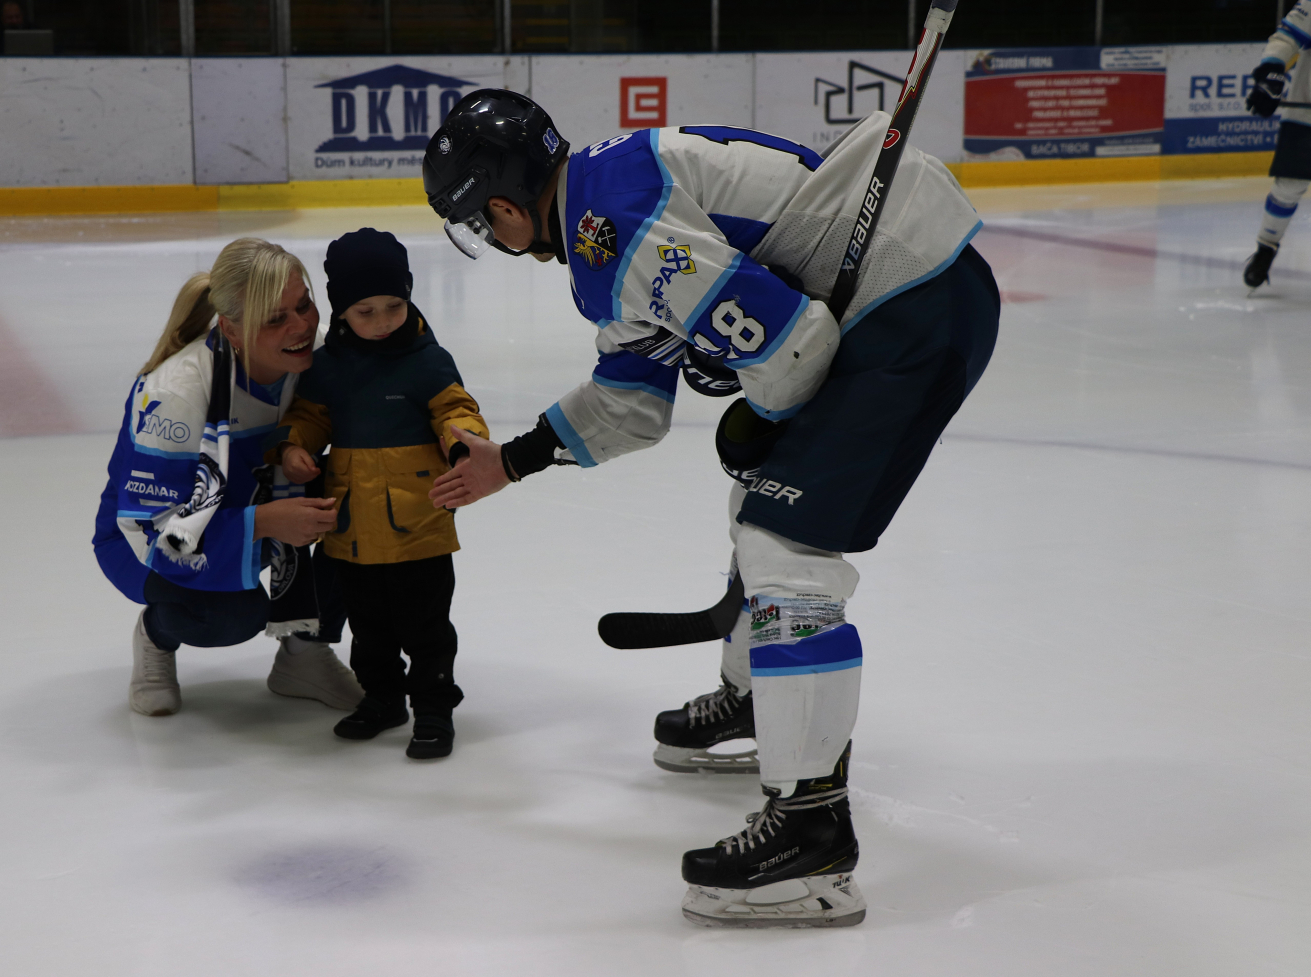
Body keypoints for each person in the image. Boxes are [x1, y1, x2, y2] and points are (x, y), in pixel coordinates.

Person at [421, 90, 999, 927]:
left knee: (784, 546)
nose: (495, 239)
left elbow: (795, 349)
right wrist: (511, 462)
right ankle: (760, 697)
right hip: (902, 292)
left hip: (912, 300)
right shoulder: (599, 208)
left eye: (483, 225)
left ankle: (812, 837)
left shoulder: (613, 230)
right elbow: (631, 402)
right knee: (759, 508)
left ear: (505, 208)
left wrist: (759, 415)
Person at [92, 237, 363, 718]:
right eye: (276, 319)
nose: (301, 326)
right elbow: (150, 527)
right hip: (146, 541)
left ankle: (303, 654)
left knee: (366, 497)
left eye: (304, 306)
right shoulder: (176, 392)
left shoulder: (316, 362)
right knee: (229, 616)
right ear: (232, 331)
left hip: (256, 509)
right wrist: (261, 524)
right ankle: (157, 633)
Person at [265, 229, 488, 760]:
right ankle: (384, 699)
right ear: (340, 310)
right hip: (352, 530)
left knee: (427, 628)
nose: (383, 320)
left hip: (420, 526)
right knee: (369, 630)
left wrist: (463, 446)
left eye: (394, 305)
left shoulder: (427, 361)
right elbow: (308, 418)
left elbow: (455, 409)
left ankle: (433, 709)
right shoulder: (328, 367)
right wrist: (294, 448)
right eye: (365, 311)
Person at [1244, 0, 1311, 288]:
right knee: (1289, 186)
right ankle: (1266, 247)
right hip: (1308, 113)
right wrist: (1272, 72)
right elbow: (1288, 36)